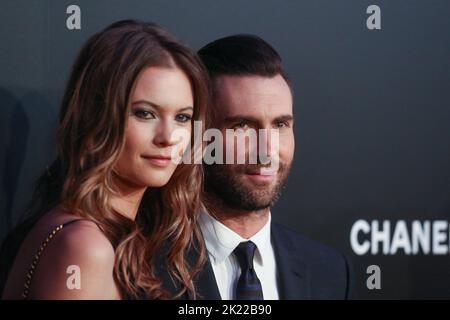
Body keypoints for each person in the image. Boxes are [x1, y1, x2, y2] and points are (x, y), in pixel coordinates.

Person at [0, 20, 208, 300]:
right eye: (145, 113)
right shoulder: (85, 246)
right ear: (96, 116)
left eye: (182, 117)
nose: (168, 136)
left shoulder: (110, 236)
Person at [189, 34, 352, 300]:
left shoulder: (330, 272)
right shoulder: (140, 264)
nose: (266, 151)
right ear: (198, 134)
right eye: (242, 126)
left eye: (280, 125)